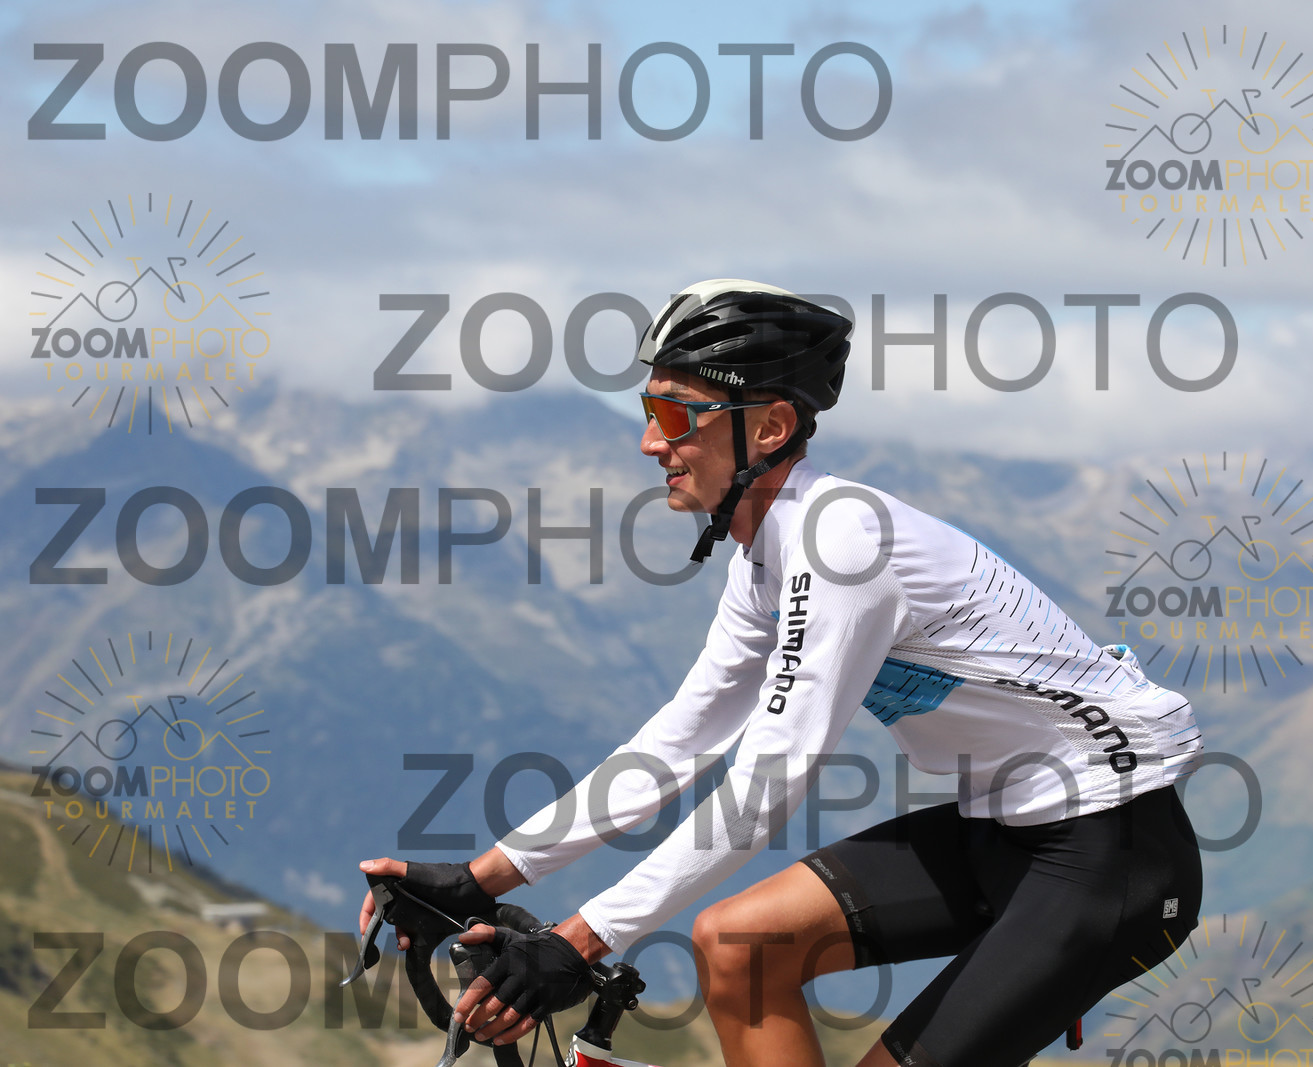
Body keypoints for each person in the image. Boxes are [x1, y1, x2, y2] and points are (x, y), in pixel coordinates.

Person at [359, 279, 1204, 1067]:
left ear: (768, 428)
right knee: (739, 946)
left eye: (675, 413)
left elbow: (768, 780)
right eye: (649, 410)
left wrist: (580, 940)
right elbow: (680, 739)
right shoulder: (768, 554)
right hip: (1003, 831)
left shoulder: (842, 544)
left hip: (1113, 856)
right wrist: (481, 878)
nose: (651, 440)